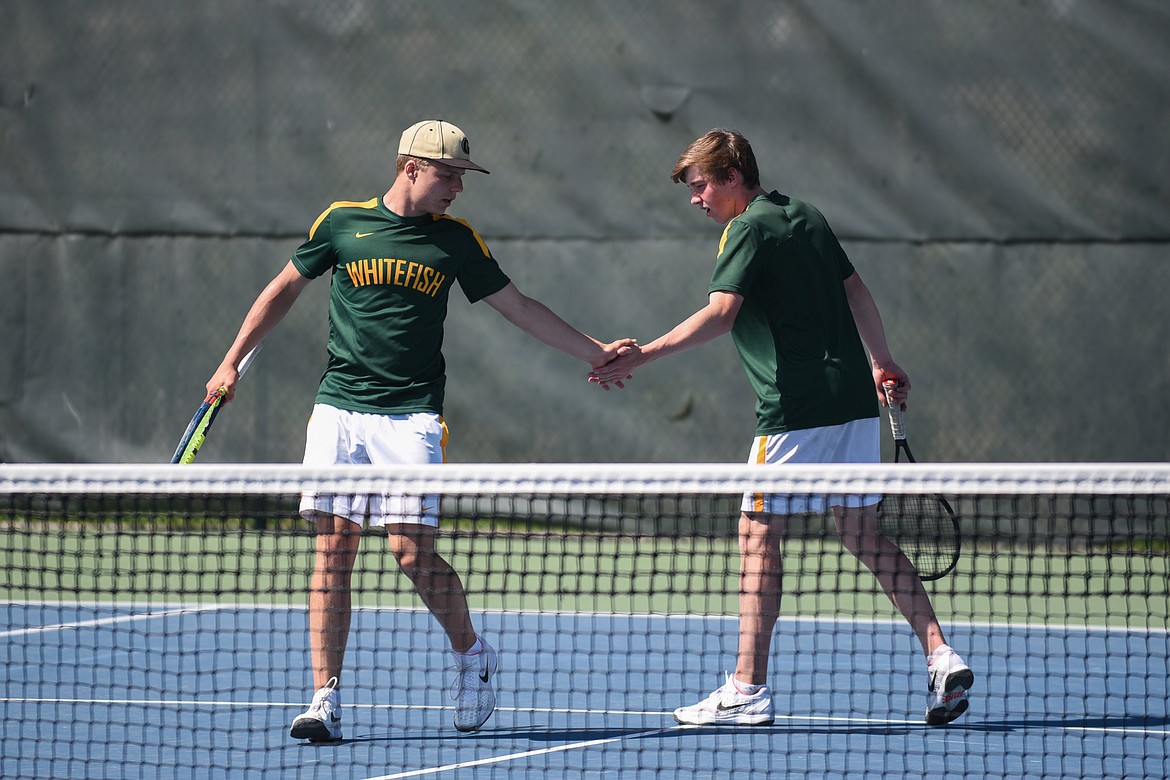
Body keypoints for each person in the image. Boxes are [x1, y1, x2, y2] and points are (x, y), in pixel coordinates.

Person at [206, 119, 633, 742]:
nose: (458, 188)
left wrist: (593, 350)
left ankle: (471, 655)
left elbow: (519, 307)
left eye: (462, 177)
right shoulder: (341, 224)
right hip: (340, 410)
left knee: (410, 551)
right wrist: (230, 361)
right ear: (411, 168)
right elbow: (282, 289)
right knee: (333, 551)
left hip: (410, 415)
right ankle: (324, 697)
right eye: (448, 175)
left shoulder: (456, 242)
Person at [589, 129, 973, 727]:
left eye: (700, 186)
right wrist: (882, 360)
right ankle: (942, 655)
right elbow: (857, 290)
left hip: (794, 412)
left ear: (732, 176)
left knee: (757, 536)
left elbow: (721, 313)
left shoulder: (745, 228)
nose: (695, 199)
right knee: (864, 534)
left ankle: (747, 687)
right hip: (850, 404)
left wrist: (645, 354)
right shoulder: (808, 215)